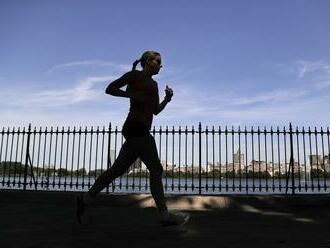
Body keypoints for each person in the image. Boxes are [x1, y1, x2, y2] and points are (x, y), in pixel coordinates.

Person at [76, 51, 189, 226]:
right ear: (148, 62)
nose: (161, 65)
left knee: (116, 170)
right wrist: (131, 95)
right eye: (158, 61)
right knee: (156, 170)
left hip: (137, 131)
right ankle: (164, 216)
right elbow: (110, 89)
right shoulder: (134, 75)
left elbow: (155, 111)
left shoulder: (154, 84)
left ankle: (85, 199)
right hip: (137, 129)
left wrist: (167, 99)